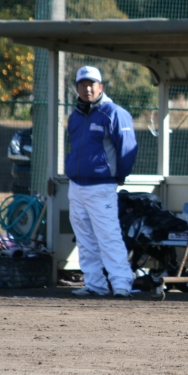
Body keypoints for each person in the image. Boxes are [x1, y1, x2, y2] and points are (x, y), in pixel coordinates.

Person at [65, 66, 138, 298]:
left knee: (109, 237)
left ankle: (122, 284)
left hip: (101, 186)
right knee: (84, 238)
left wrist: (119, 176)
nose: (87, 89)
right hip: (76, 186)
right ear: (76, 88)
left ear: (101, 87)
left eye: (92, 84)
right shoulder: (75, 116)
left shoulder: (114, 112)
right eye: (83, 85)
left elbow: (127, 149)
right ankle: (94, 284)